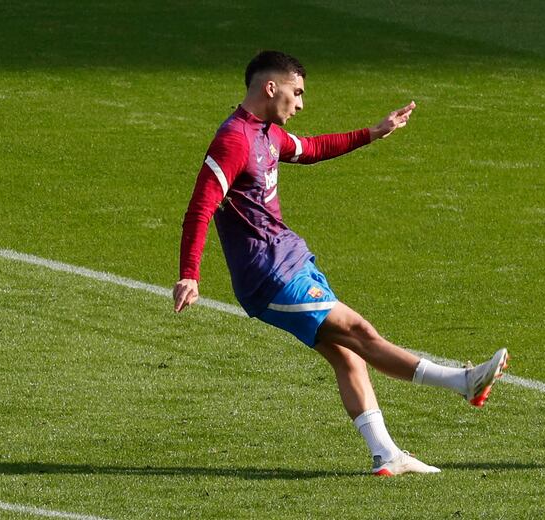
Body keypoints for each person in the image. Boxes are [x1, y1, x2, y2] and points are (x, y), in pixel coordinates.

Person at [173, 50, 508, 476]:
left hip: (290, 261)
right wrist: (190, 274)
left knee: (349, 356)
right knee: (359, 332)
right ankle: (463, 383)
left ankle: (386, 455)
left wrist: (373, 132)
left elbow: (311, 149)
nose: (300, 104)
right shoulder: (234, 140)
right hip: (270, 276)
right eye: (297, 93)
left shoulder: (267, 134)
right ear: (269, 88)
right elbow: (199, 207)